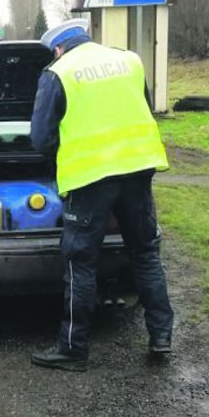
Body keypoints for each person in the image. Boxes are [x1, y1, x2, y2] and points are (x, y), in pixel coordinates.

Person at [28, 19, 174, 372]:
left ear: (58, 49)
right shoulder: (129, 60)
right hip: (139, 171)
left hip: (90, 178)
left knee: (81, 263)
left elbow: (41, 138)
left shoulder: (58, 72)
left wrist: (56, 164)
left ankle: (73, 350)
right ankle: (161, 337)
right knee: (145, 253)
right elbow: (144, 107)